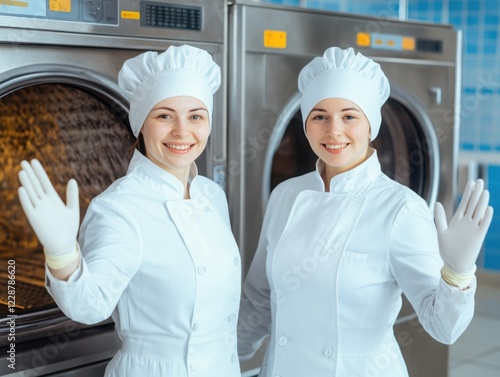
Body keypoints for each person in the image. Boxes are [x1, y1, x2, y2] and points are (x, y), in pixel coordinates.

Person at [237, 46, 494, 377]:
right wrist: (224, 356)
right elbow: (259, 299)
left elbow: (443, 327)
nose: (334, 131)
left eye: (349, 116)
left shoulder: (400, 208)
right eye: (319, 117)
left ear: (370, 125)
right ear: (305, 124)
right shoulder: (286, 195)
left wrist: (458, 273)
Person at [17, 45, 241, 377]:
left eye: (196, 116)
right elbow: (89, 307)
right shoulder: (120, 208)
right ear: (141, 124)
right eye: (164, 115)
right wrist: (62, 253)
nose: (182, 131)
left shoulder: (210, 194)